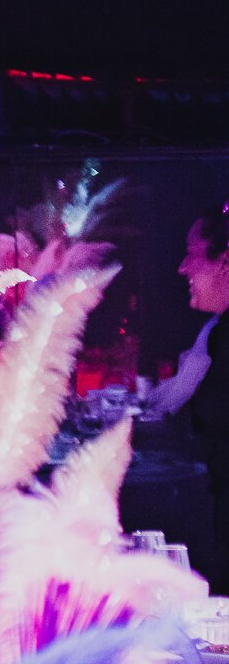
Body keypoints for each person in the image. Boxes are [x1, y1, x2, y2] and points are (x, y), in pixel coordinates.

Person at [142, 203, 229, 576]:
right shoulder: (218, 332)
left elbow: (209, 420)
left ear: (225, 261)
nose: (182, 268)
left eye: (192, 254)